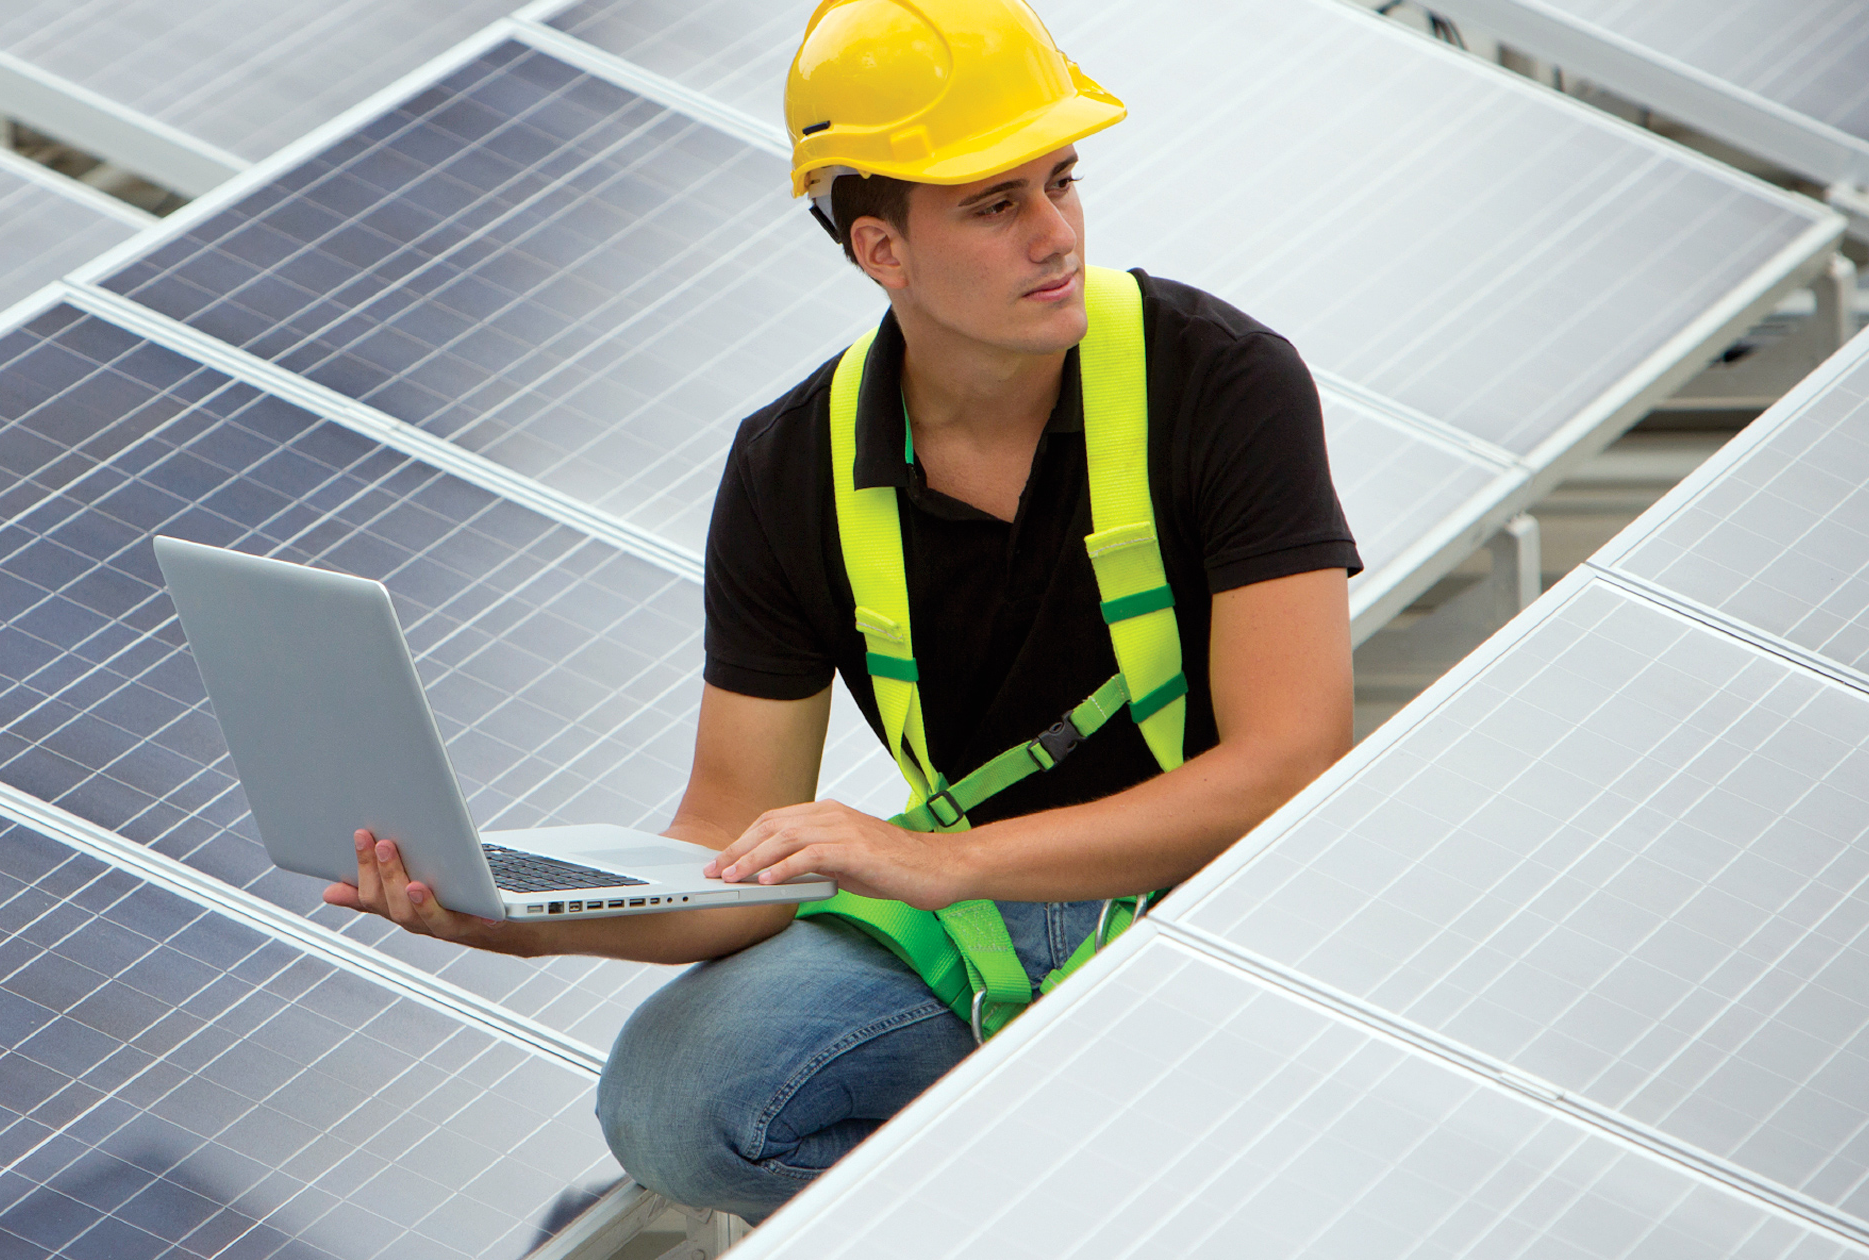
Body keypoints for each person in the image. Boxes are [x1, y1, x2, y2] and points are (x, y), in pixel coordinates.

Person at [323, 0, 1357, 1223]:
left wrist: (937, 859)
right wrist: (518, 926)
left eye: (1060, 181)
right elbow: (730, 837)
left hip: (1231, 894)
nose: (1055, 234)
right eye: (994, 203)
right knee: (676, 1104)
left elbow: (1291, 766)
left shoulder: (1222, 378)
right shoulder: (790, 466)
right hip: (984, 920)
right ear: (881, 250)